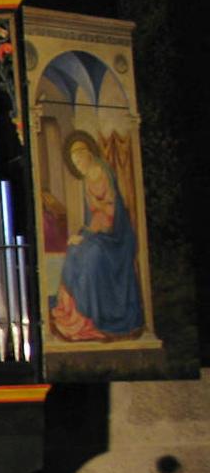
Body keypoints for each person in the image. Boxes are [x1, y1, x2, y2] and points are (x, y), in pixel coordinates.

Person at [48, 132, 143, 341]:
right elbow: (95, 214)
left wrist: (88, 235)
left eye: (80, 158)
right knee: (73, 250)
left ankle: (95, 316)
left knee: (91, 257)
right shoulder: (88, 177)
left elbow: (109, 212)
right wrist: (84, 234)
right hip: (100, 230)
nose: (78, 164)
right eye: (75, 161)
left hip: (115, 235)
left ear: (89, 155)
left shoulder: (99, 172)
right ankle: (76, 316)